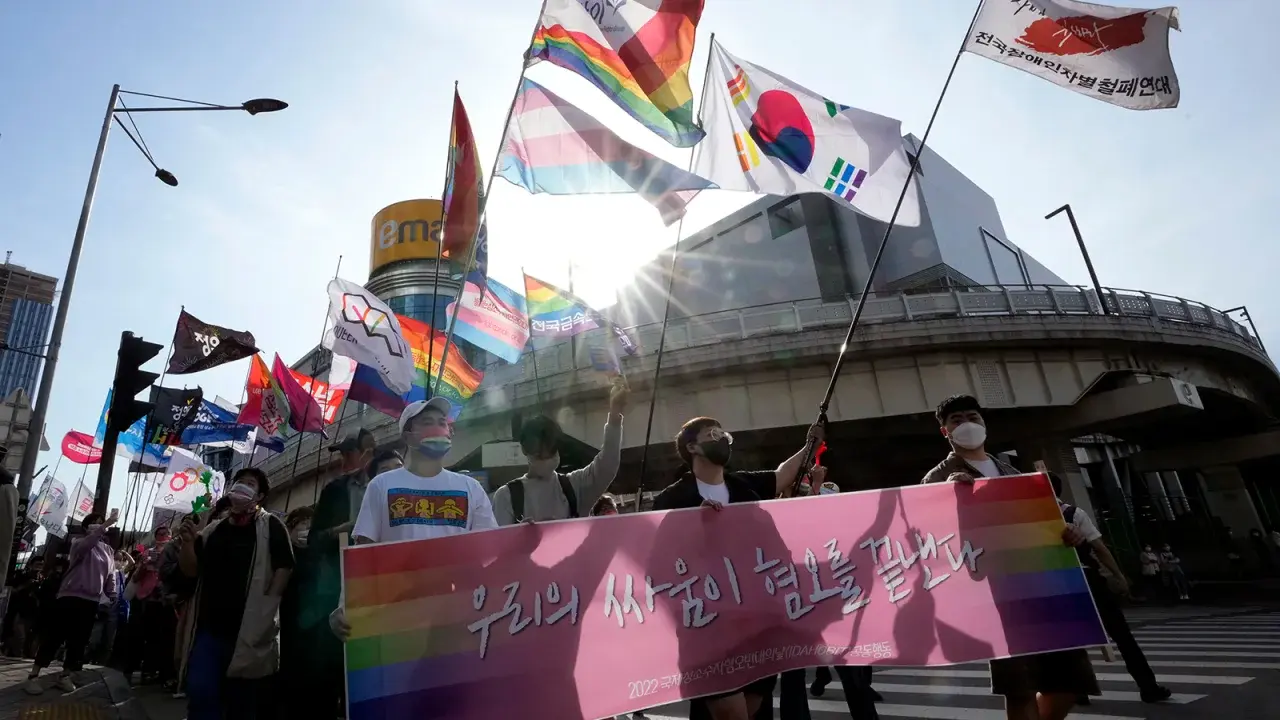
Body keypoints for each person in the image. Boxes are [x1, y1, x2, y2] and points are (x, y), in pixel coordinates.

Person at [922, 394, 1097, 720]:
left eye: (972, 417)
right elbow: (930, 533)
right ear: (945, 431)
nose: (966, 424)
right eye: (956, 420)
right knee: (1020, 687)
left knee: (1069, 684)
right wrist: (946, 497)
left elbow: (1048, 523)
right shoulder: (939, 478)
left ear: (984, 423)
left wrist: (1068, 535)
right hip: (997, 594)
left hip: (1045, 586)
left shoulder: (1013, 472)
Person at [652, 415, 824, 720]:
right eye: (712, 433)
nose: (721, 438)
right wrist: (692, 528)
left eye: (722, 433)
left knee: (753, 709)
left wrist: (810, 444)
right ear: (692, 446)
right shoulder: (673, 499)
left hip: (755, 625)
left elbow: (783, 475)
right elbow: (659, 565)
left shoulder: (744, 486)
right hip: (706, 630)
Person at [330, 397, 500, 639]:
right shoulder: (382, 485)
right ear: (408, 436)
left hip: (457, 617)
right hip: (397, 618)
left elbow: (490, 550)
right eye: (427, 422)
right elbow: (364, 554)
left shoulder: (470, 488)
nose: (439, 427)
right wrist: (345, 606)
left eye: (443, 422)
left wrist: (527, 536)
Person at [178, 468, 295, 720]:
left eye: (249, 483)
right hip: (209, 630)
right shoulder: (212, 530)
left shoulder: (271, 525)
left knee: (242, 702)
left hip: (250, 630)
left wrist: (268, 605)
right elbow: (190, 571)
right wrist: (188, 543)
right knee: (201, 692)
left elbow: (284, 566)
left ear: (259, 495)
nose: (242, 486)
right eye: (239, 482)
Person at [1048, 473, 1171, 705]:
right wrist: (1118, 575)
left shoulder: (1034, 519)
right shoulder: (1075, 513)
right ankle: (1148, 686)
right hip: (1087, 579)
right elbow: (1099, 548)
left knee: (1069, 639)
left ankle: (1078, 691)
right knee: (1121, 635)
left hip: (1058, 584)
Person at [493, 376, 628, 525]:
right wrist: (519, 536)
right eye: (539, 454)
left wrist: (615, 415)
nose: (546, 459)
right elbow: (499, 546)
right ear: (525, 450)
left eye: (550, 451)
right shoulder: (506, 497)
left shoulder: (576, 486)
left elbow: (607, 465)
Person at [24, 510, 119, 695]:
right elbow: (86, 546)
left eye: (101, 522)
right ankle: (34, 675)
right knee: (55, 636)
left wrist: (112, 592)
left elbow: (110, 573)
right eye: (95, 522)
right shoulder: (78, 542)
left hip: (91, 600)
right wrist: (105, 525)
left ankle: (65, 675)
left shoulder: (108, 550)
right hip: (70, 596)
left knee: (79, 640)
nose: (99, 524)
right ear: (85, 527)